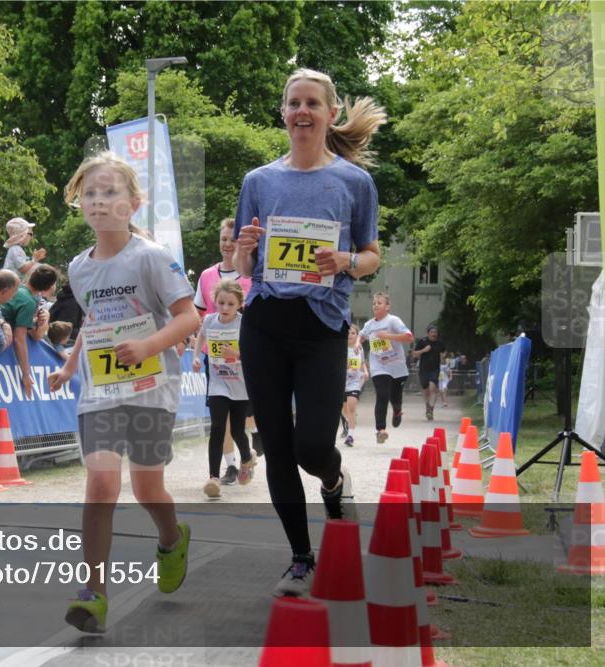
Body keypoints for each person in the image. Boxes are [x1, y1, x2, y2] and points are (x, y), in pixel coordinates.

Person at [233, 68, 385, 596]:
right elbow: (241, 265)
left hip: (322, 326)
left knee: (313, 445)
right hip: (265, 324)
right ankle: (301, 557)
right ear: (283, 112)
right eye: (294, 103)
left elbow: (371, 257)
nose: (302, 112)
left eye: (312, 104)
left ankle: (334, 479)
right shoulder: (258, 181)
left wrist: (345, 259)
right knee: (276, 443)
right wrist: (245, 249)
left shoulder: (354, 182)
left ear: (331, 114)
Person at [48, 151, 200, 634]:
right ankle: (93, 592)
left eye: (109, 192)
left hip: (153, 386)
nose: (98, 202)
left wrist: (150, 345)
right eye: (90, 193)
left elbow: (189, 317)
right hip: (102, 390)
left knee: (146, 486)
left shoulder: (151, 257)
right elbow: (94, 320)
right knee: (100, 484)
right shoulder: (79, 267)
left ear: (133, 203)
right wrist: (71, 363)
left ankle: (172, 537)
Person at [195, 218, 261, 465]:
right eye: (224, 239)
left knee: (242, 416)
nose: (227, 244)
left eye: (233, 240)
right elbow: (197, 313)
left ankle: (253, 437)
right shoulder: (206, 276)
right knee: (220, 418)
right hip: (215, 360)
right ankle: (231, 465)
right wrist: (187, 340)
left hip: (245, 361)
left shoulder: (251, 275)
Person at [191, 280, 254, 498]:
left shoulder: (244, 323)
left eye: (230, 304)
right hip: (218, 383)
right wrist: (197, 356)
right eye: (221, 303)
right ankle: (213, 478)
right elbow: (201, 335)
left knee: (237, 430)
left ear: (239, 304)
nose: (225, 308)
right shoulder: (209, 320)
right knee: (217, 428)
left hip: (241, 384)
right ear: (215, 302)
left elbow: (257, 353)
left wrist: (237, 355)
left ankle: (246, 457)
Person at [358, 292, 414, 443]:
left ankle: (397, 411)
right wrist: (357, 343)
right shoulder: (369, 324)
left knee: (395, 398)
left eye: (380, 303)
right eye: (374, 303)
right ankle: (380, 430)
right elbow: (361, 335)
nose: (376, 305)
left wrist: (388, 336)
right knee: (382, 395)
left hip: (396, 365)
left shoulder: (393, 321)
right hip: (378, 365)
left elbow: (409, 337)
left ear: (387, 307)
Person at [1, 263, 58, 397]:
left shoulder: (19, 290)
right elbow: (19, 339)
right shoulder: (28, 301)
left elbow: (30, 332)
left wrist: (33, 321)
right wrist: (26, 375)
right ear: (48, 288)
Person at [342, 324, 369, 447]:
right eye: (348, 333)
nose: (350, 335)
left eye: (353, 333)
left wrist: (366, 371)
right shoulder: (340, 347)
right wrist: (345, 366)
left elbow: (362, 362)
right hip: (341, 382)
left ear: (357, 335)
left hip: (354, 381)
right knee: (343, 410)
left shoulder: (359, 348)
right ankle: (349, 420)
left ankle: (350, 436)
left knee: (352, 406)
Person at [412, 324, 446, 419]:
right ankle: (427, 405)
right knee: (426, 390)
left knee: (432, 388)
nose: (434, 334)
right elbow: (414, 354)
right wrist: (423, 350)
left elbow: (444, 353)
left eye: (435, 332)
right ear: (428, 333)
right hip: (423, 369)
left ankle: (431, 409)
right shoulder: (422, 342)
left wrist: (443, 357)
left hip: (435, 369)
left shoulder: (440, 343)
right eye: (432, 332)